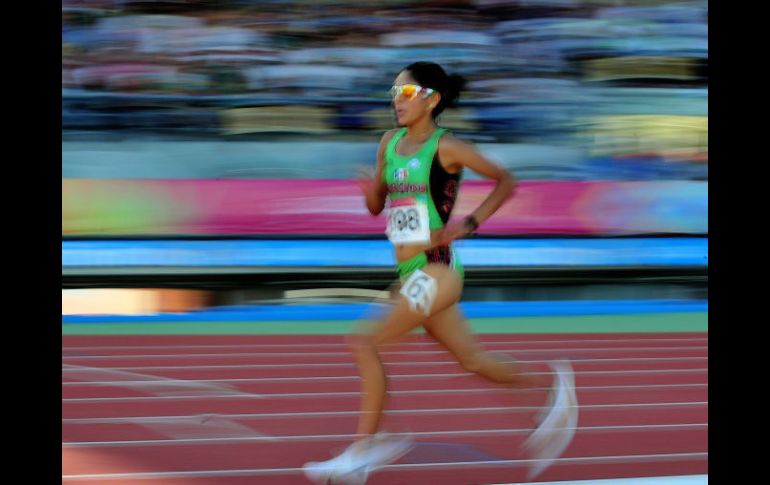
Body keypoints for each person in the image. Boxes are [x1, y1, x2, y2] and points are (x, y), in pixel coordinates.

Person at [303, 61, 578, 484]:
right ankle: (549, 389)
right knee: (473, 361)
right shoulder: (388, 143)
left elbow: (505, 180)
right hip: (409, 270)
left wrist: (467, 225)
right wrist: (371, 191)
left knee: (364, 343)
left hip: (438, 270)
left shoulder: (447, 147)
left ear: (431, 99)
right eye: (393, 92)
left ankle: (365, 450)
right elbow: (378, 207)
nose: (397, 100)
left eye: (407, 93)